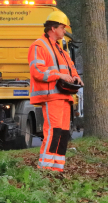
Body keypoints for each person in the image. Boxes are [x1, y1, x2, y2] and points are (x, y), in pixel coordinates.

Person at [28, 10, 83, 172]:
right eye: (62, 27)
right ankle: (45, 169)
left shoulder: (61, 50)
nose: (64, 31)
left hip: (64, 97)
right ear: (53, 28)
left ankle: (57, 169)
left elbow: (71, 68)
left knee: (63, 133)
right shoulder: (38, 46)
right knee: (54, 131)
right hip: (51, 96)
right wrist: (60, 75)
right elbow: (37, 71)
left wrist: (75, 77)